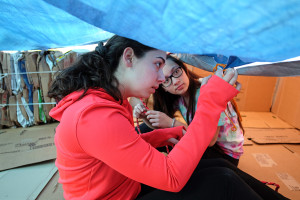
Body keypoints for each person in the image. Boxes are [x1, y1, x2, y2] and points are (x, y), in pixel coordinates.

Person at [48, 35, 284, 200]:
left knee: (219, 166)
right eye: (158, 64)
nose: (163, 78)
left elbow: (116, 150)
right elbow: (172, 177)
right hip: (119, 194)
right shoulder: (94, 115)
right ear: (128, 58)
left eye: (170, 69)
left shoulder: (107, 100)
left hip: (124, 187)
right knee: (222, 182)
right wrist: (210, 103)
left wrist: (163, 134)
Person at [133, 54, 244, 166]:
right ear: (163, 88)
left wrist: (171, 123)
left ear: (184, 69)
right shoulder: (179, 98)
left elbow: (209, 141)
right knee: (150, 131)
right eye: (166, 80)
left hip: (225, 156)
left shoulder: (205, 91)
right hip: (207, 146)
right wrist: (145, 117)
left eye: (176, 72)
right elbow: (161, 128)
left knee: (173, 146)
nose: (176, 81)